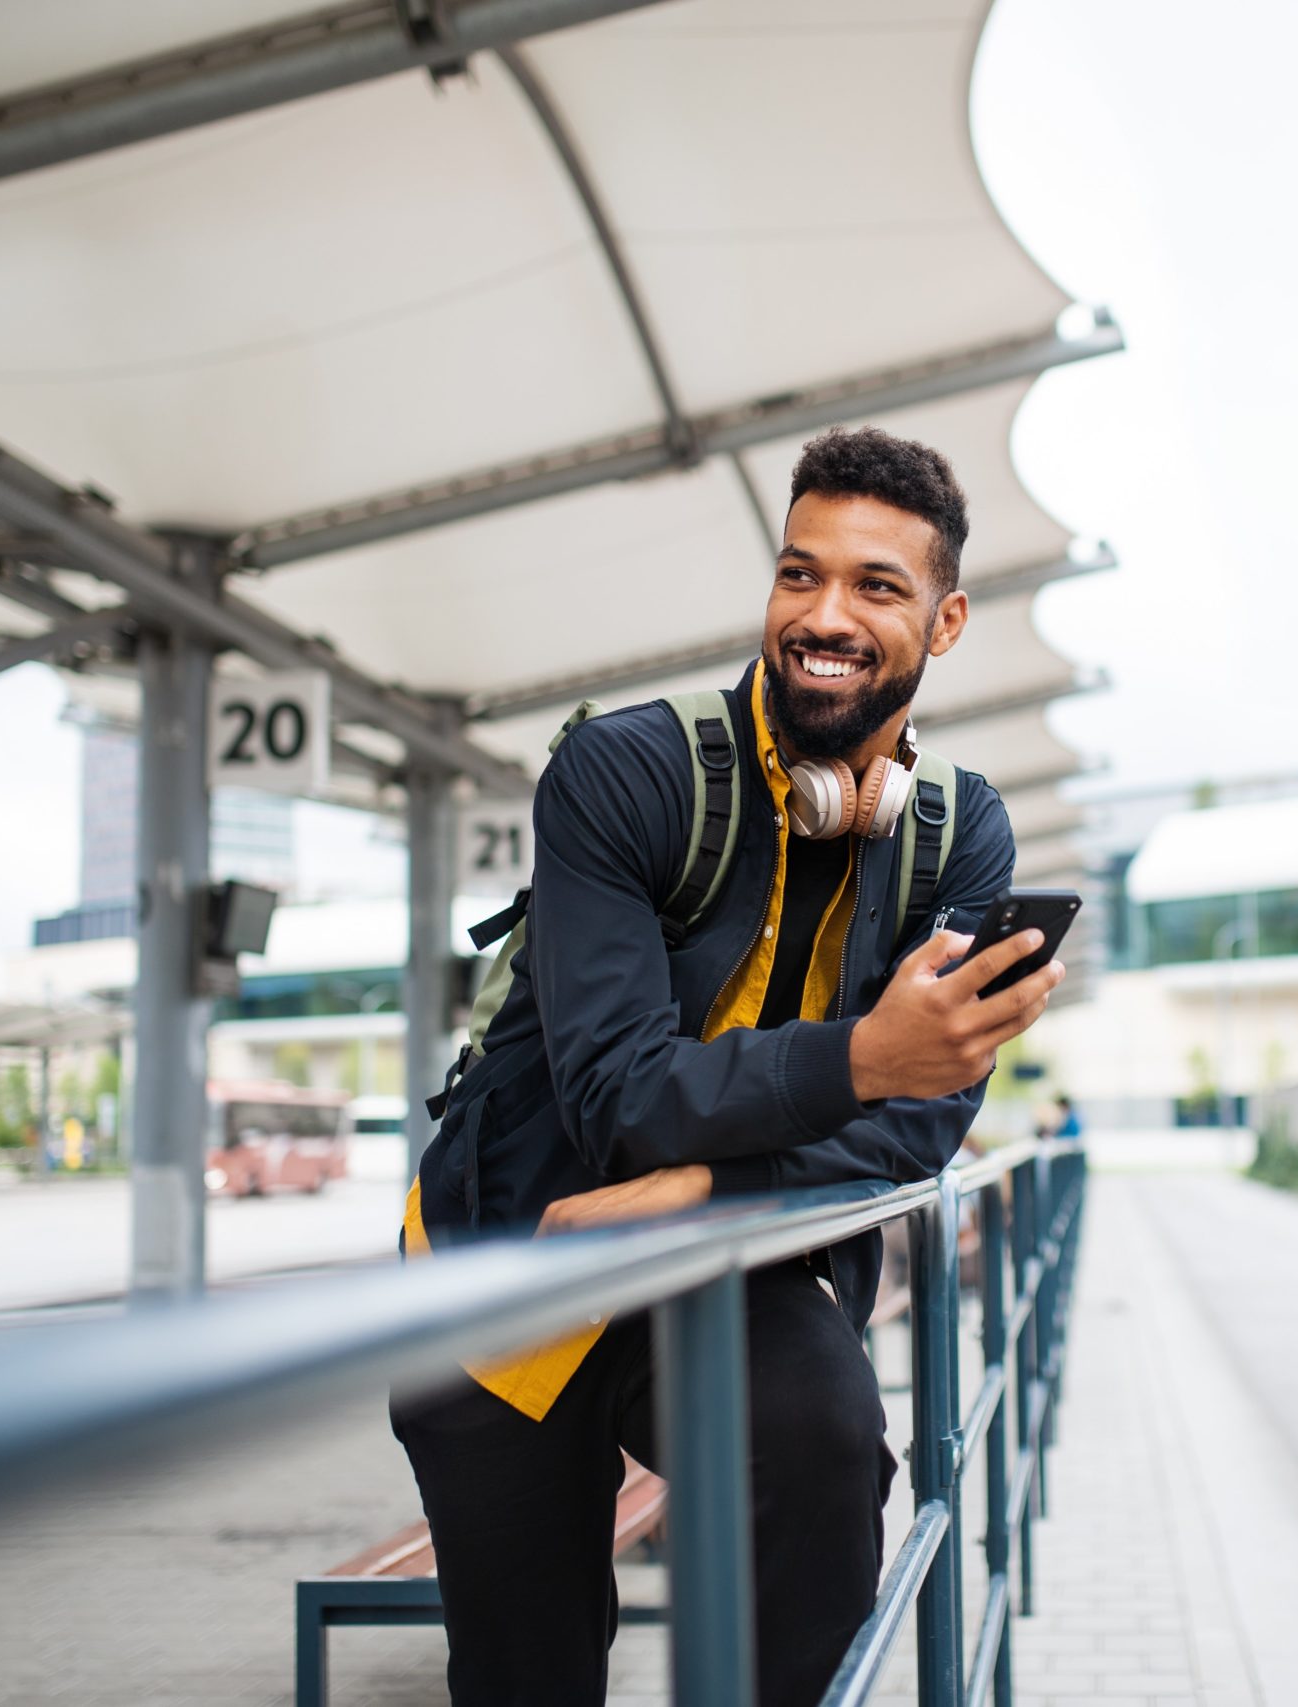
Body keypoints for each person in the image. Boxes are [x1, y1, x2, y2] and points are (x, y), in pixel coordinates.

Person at [390, 426, 1065, 1707]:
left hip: (727, 1248)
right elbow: (617, 1100)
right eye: (798, 574)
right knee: (523, 1674)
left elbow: (925, 1126)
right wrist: (865, 1057)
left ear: (948, 618)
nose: (824, 615)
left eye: (876, 586)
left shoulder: (958, 833)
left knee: (824, 1446)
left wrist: (707, 1190)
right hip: (513, 1258)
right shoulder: (624, 771)